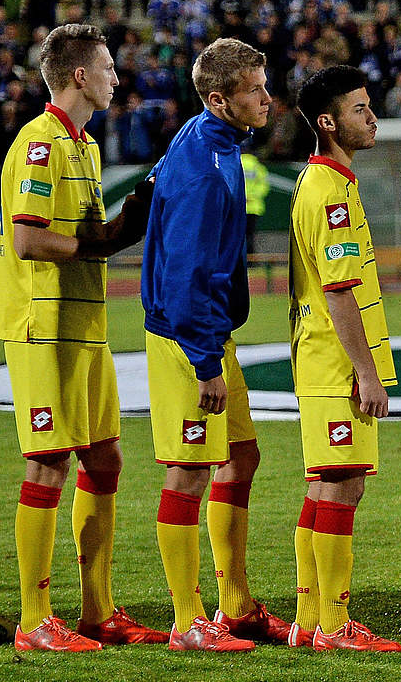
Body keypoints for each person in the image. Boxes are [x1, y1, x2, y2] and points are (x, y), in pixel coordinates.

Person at [0, 23, 165, 652]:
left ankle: (98, 613)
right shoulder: (38, 145)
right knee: (47, 460)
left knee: (105, 458)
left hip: (85, 324)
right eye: (109, 68)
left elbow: (87, 238)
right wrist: (104, 239)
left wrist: (125, 228)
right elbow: (29, 240)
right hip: (43, 324)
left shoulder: (86, 148)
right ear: (79, 77)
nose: (118, 78)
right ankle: (35, 621)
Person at [141, 38, 293, 651]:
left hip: (209, 334)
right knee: (188, 471)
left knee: (242, 456)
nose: (266, 98)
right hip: (187, 339)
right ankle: (186, 620)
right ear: (217, 98)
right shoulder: (206, 165)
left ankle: (233, 603)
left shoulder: (214, 142)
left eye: (264, 84)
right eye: (254, 89)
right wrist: (204, 361)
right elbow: (185, 271)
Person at [287, 65, 401, 651]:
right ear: (328, 122)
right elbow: (338, 290)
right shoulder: (329, 191)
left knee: (328, 487)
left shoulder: (328, 181)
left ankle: (310, 622)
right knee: (341, 488)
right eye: (359, 108)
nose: (372, 115)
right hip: (336, 365)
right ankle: (332, 624)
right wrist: (366, 372)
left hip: (321, 361)